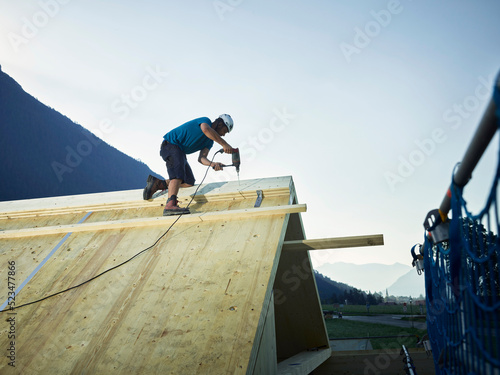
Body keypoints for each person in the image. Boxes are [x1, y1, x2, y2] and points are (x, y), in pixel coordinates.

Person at [143, 114, 235, 216]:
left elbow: (202, 158)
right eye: (225, 131)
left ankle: (158, 183)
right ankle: (170, 205)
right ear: (220, 124)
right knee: (178, 175)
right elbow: (205, 129)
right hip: (171, 144)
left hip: (179, 151)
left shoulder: (210, 141)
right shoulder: (205, 121)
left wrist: (213, 164)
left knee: (189, 181)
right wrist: (224, 144)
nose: (224, 135)